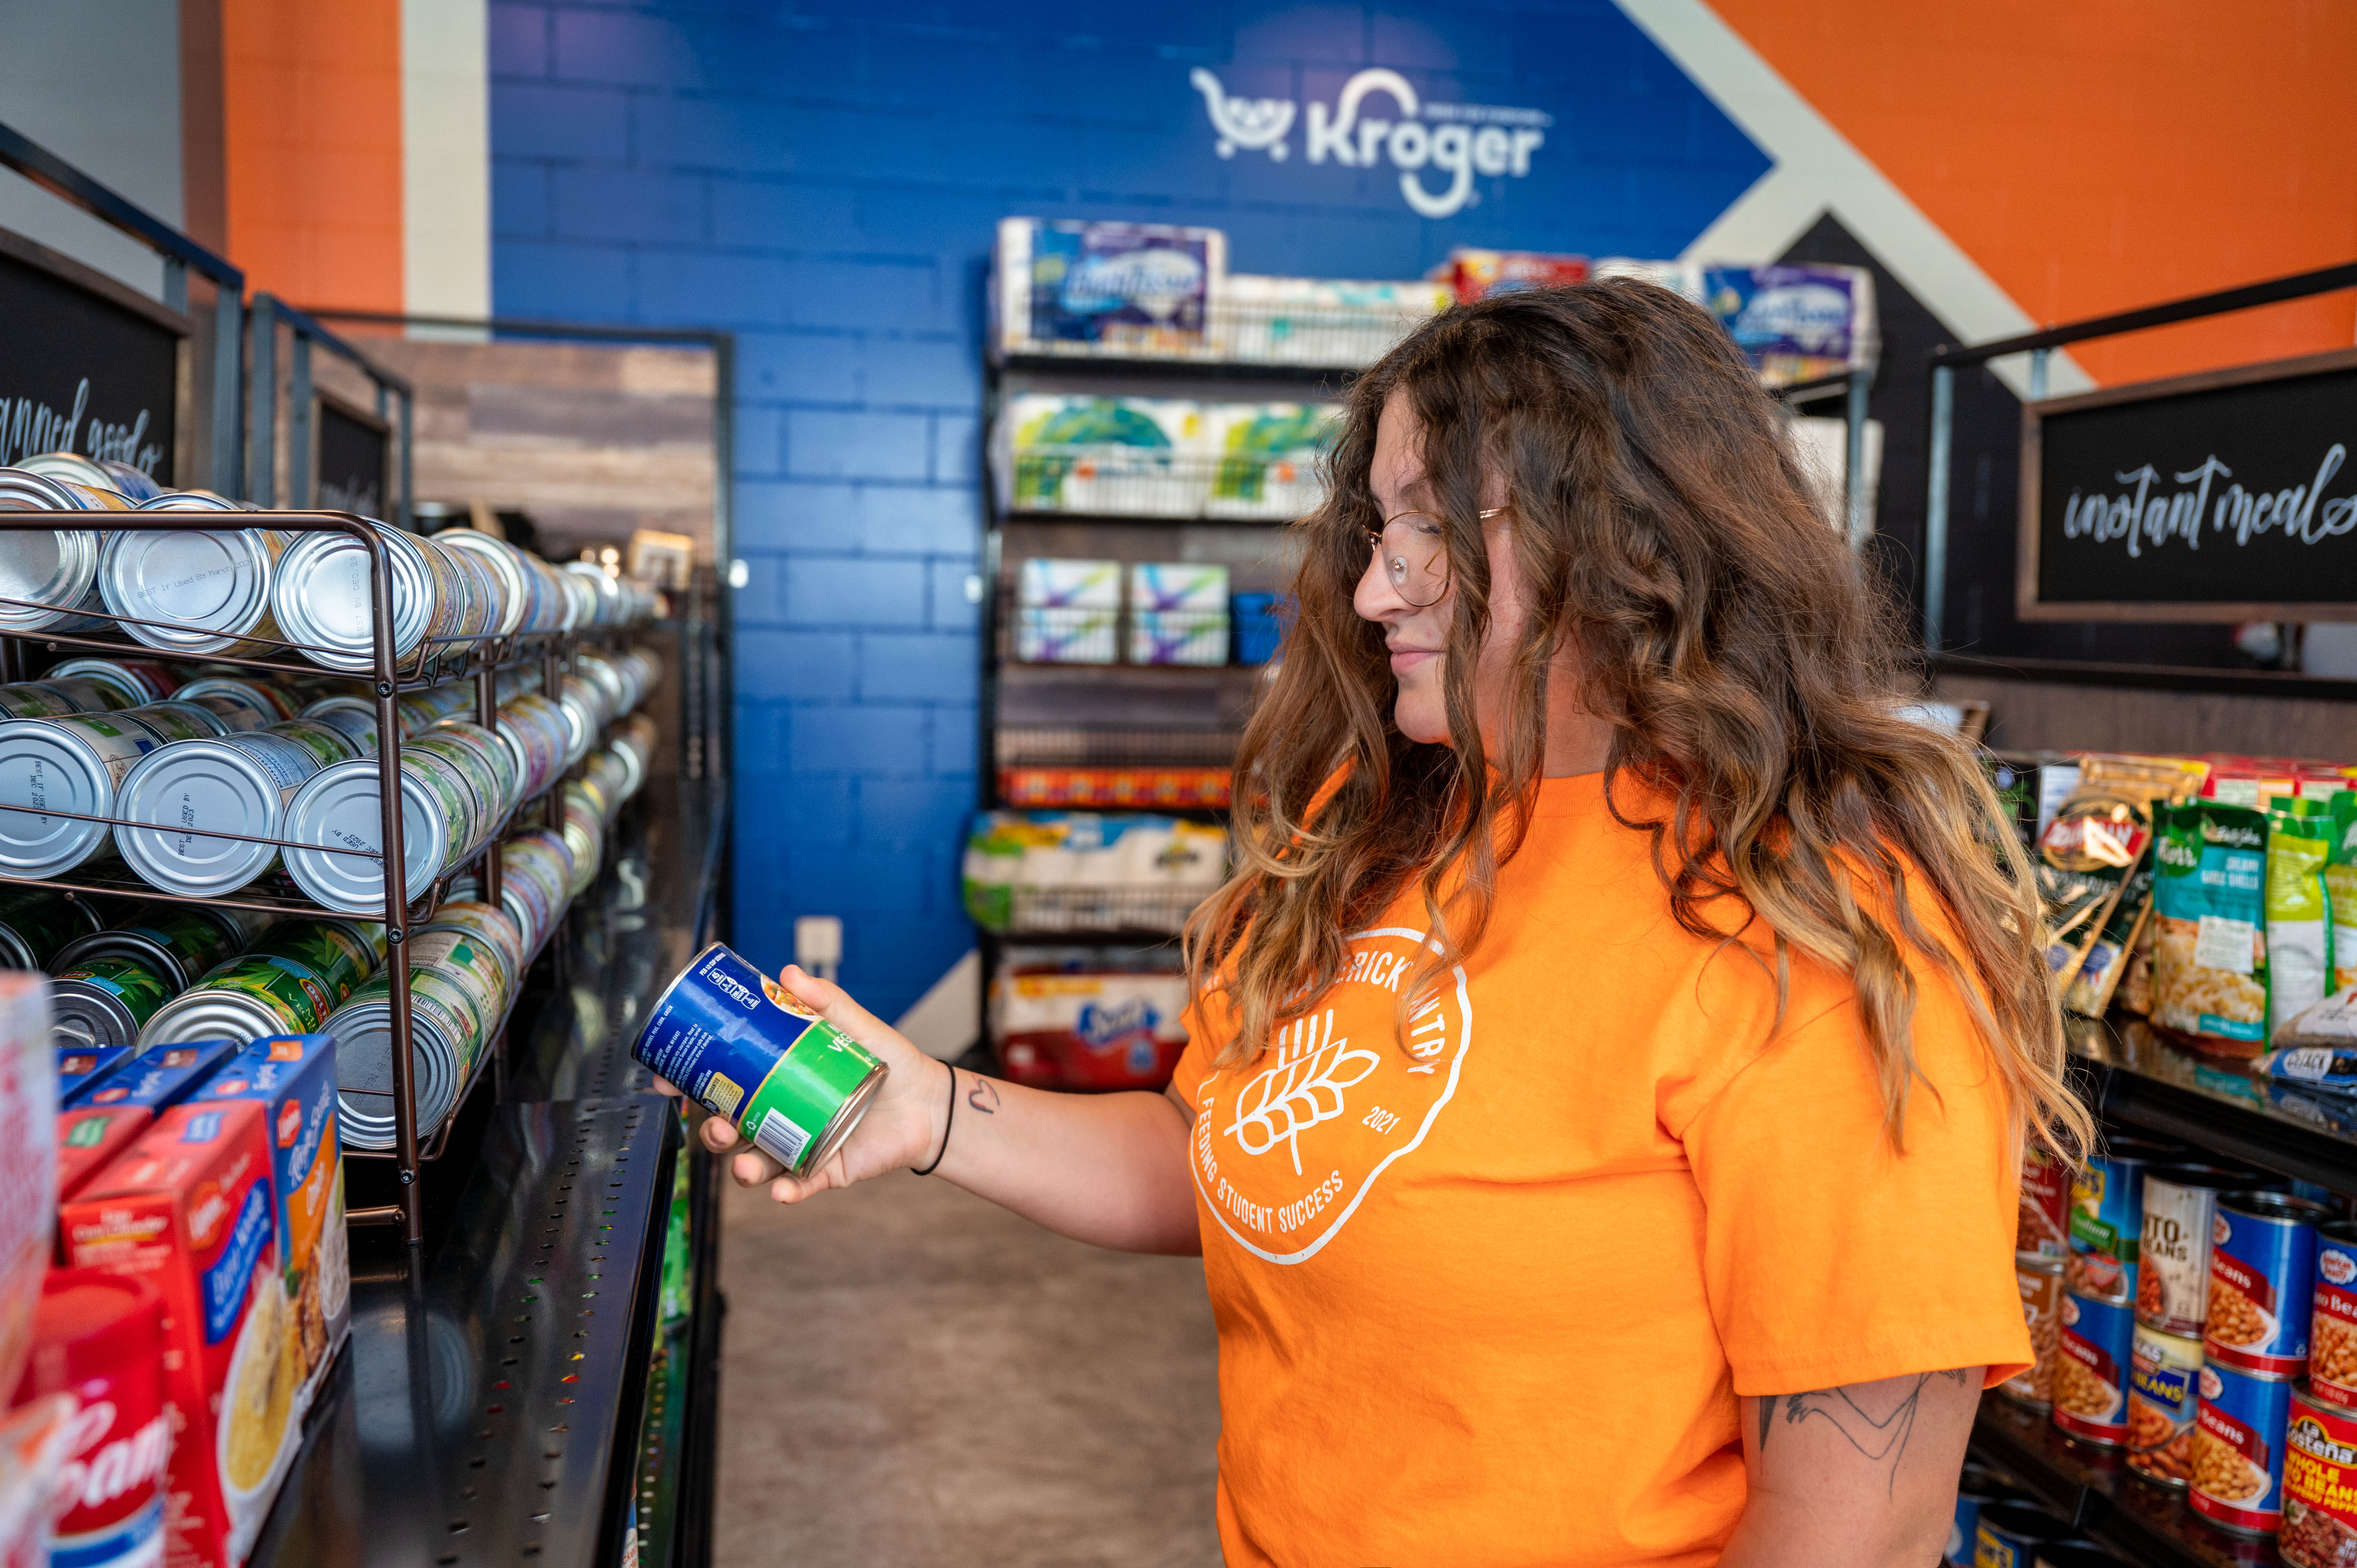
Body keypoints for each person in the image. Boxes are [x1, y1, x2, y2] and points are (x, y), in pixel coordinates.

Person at [686, 280, 2088, 1566]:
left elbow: (1864, 1533)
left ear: (1624, 542)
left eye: (1433, 525)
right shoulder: (1390, 816)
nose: (1368, 588)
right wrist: (922, 1111)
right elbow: (1230, 1153)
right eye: (1376, 525)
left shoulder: (1812, 926)